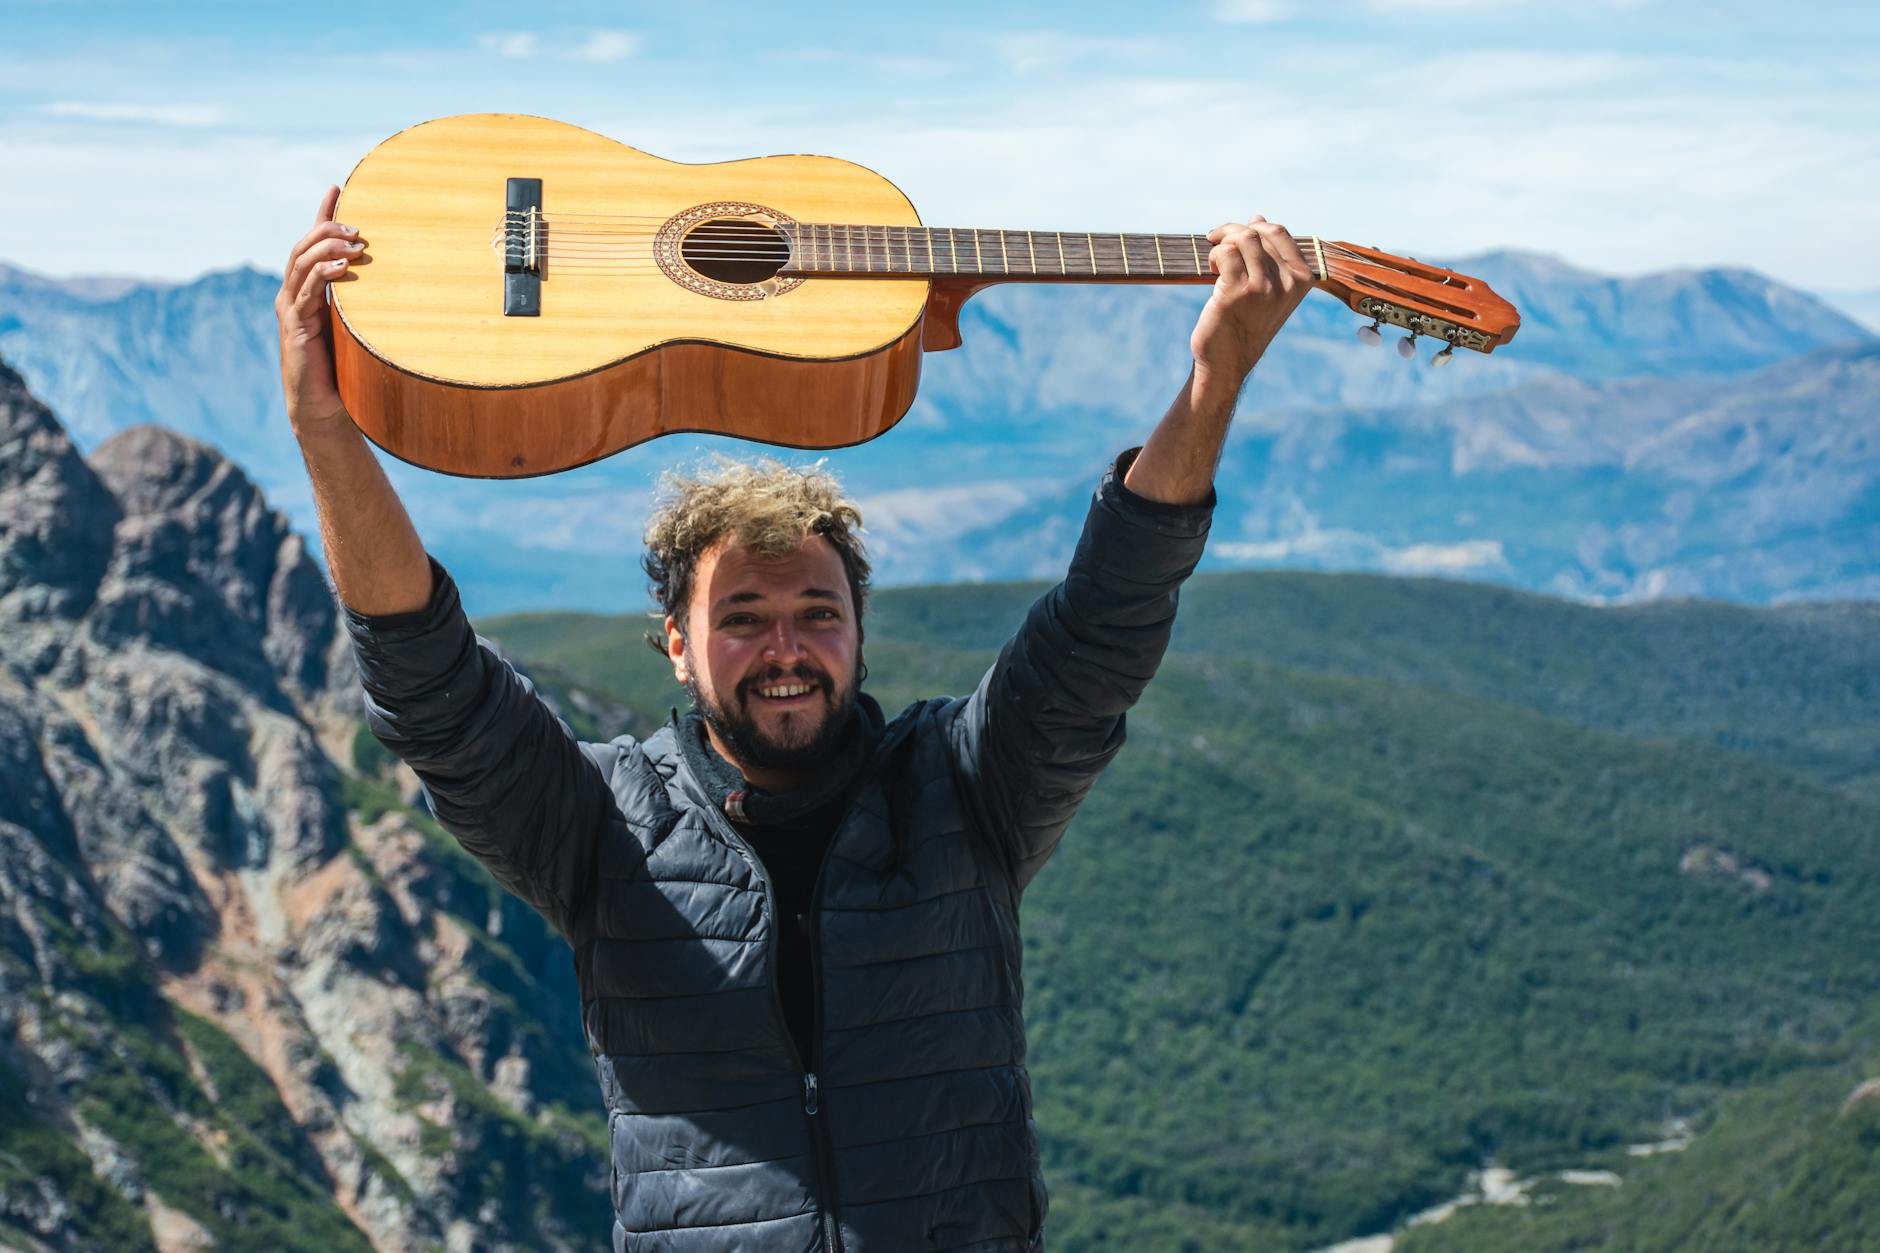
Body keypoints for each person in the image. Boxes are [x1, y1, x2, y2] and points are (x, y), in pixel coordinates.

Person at [277, 184, 1312, 1252]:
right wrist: (323, 427)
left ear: (859, 633)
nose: (785, 649)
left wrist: (1214, 377)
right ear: (675, 645)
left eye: (818, 612)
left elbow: (1104, 624)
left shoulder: (964, 786)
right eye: (741, 618)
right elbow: (432, 687)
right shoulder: (600, 823)